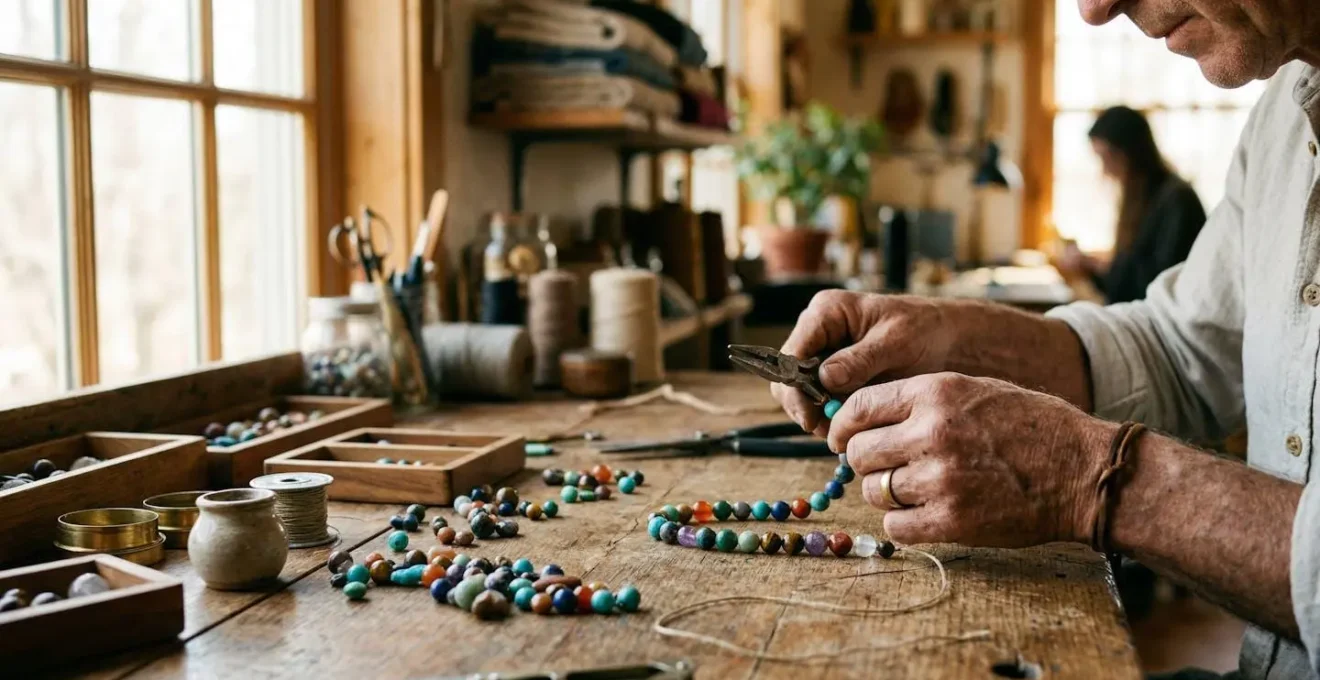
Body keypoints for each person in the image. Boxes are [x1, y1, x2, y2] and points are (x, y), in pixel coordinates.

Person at [771, 1, 1320, 678]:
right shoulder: (1284, 118)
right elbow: (1179, 352)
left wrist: (1088, 479)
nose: (1094, 10)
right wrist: (948, 334)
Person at [1060, 106, 1207, 303]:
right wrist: (1091, 268)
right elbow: (1125, 284)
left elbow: (1157, 283)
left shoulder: (1177, 201)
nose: (1105, 171)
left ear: (1128, 153)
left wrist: (1097, 266)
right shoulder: (1143, 198)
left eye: (1107, 158)